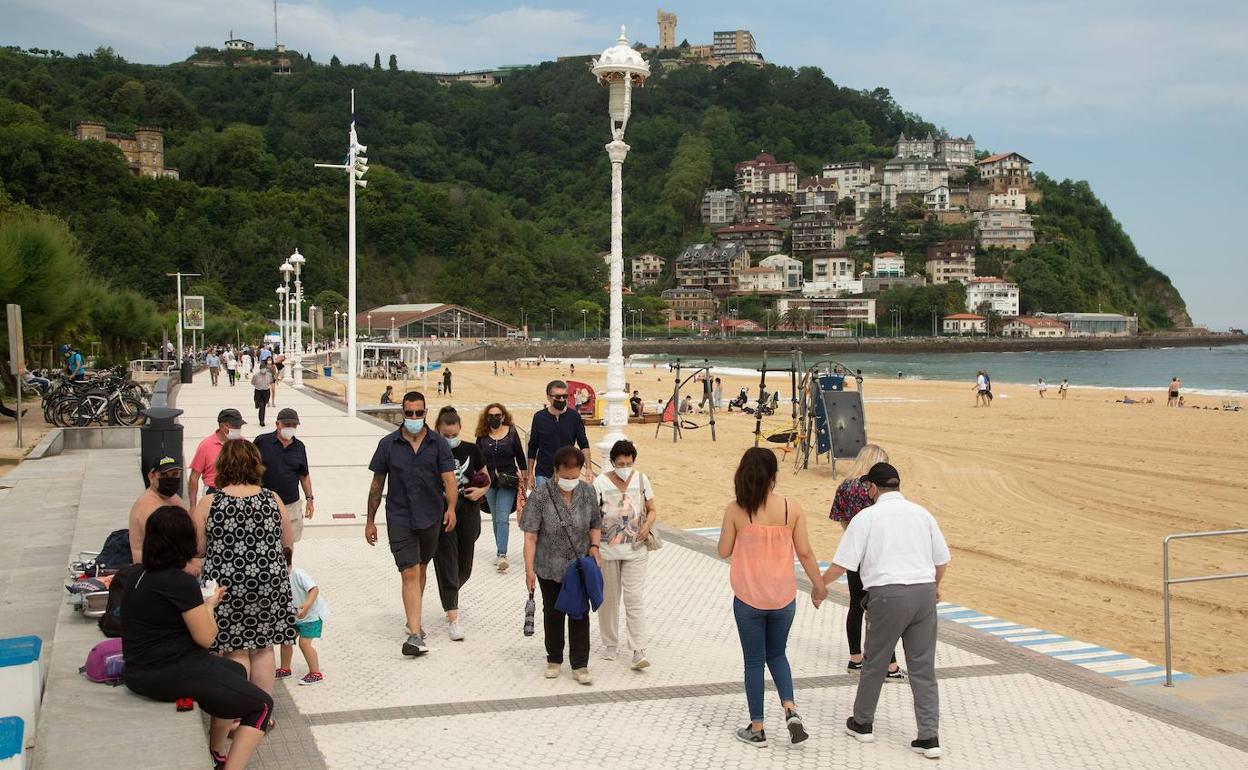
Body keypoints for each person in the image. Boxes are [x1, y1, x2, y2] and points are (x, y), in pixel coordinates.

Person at [121, 507, 272, 770]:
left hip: (138, 670)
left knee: (236, 669)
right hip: (171, 673)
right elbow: (207, 638)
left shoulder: (137, 574)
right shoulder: (180, 582)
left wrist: (204, 603)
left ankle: (216, 752)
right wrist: (210, 606)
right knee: (262, 705)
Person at [821, 463, 951, 760]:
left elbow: (843, 564)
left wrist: (820, 587)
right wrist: (935, 587)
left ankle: (863, 723)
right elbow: (941, 560)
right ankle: (929, 737)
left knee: (876, 661)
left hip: (887, 595)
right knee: (922, 667)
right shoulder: (922, 514)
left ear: (873, 488)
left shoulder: (867, 517)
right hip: (922, 593)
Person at [717, 448, 824, 747]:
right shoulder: (792, 508)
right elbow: (805, 552)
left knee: (754, 662)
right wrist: (819, 585)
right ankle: (790, 708)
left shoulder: (736, 510)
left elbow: (723, 550)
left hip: (749, 598)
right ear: (774, 475)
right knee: (777, 654)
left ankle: (757, 727)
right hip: (783, 598)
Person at [192, 440, 297, 702]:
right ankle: (262, 712)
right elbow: (287, 542)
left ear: (222, 465)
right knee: (262, 648)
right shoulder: (272, 499)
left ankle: (238, 711)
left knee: (234, 650)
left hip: (227, 587)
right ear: (255, 464)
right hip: (269, 582)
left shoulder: (209, 503)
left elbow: (198, 548)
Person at [365, 391, 458, 657]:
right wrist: (370, 521)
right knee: (409, 572)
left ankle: (412, 616)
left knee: (421, 567)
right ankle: (415, 634)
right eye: (409, 413)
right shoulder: (387, 444)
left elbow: (449, 480)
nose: (414, 417)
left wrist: (451, 508)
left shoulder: (439, 444)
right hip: (400, 517)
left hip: (431, 516)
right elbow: (376, 485)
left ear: (426, 412)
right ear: (402, 413)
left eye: (419, 413)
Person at [521, 446, 602, 685]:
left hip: (577, 566)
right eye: (566, 477)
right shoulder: (541, 495)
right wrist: (528, 569)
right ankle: (554, 658)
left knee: (579, 613)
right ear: (556, 472)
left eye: (574, 476)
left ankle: (580, 664)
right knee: (553, 612)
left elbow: (595, 523)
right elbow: (530, 535)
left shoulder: (587, 492)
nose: (570, 481)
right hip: (548, 565)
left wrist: (595, 547)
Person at [828, 445, 905, 680]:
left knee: (855, 604)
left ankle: (855, 658)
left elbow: (839, 517)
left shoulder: (845, 486)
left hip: (855, 553)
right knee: (879, 608)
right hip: (877, 554)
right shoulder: (874, 489)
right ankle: (890, 665)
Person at [593, 440, 656, 670]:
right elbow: (593, 516)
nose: (625, 467)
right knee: (608, 599)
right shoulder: (599, 482)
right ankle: (610, 643)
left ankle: (638, 649)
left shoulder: (641, 479)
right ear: (612, 462)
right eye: (620, 463)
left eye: (628, 463)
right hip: (607, 551)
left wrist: (647, 525)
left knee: (634, 599)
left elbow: (653, 509)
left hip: (636, 549)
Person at [432, 407, 487, 640]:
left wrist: (482, 490)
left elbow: (486, 476)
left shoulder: (471, 449)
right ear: (438, 431)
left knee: (464, 567)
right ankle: (453, 615)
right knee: (447, 562)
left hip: (469, 510)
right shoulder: (431, 450)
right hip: (442, 512)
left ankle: (449, 593)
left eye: (454, 434)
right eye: (446, 435)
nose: (451, 439)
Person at [476, 403, 527, 571]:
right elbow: (477, 458)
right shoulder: (482, 435)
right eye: (491, 415)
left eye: (498, 415)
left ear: (503, 416)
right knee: (496, 517)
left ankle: (502, 554)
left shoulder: (511, 433)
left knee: (503, 517)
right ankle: (500, 552)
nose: (494, 418)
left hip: (508, 480)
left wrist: (526, 477)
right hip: (488, 481)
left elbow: (520, 456)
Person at [255, 408, 314, 544]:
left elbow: (304, 476)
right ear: (277, 424)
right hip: (265, 505)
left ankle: (287, 566)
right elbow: (249, 469)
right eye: (287, 425)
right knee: (264, 544)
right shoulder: (262, 442)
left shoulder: (299, 447)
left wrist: (310, 499)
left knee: (288, 546)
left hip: (291, 505)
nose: (290, 428)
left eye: (294, 426)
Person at [276, 547, 328, 685]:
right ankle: (285, 669)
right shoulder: (278, 578)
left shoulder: (298, 574)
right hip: (293, 616)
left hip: (311, 616)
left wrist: (306, 606)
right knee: (286, 640)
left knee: (304, 644)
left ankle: (315, 673)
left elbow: (314, 589)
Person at [527, 380, 590, 491]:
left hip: (568, 474)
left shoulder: (574, 417)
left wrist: (589, 468)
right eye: (558, 397)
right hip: (543, 473)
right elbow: (533, 446)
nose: (561, 400)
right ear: (549, 397)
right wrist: (530, 473)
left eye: (564, 396)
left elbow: (583, 444)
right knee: (545, 507)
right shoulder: (539, 417)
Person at [129, 456, 187, 564]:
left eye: (175, 474)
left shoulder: (173, 498)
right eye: (164, 475)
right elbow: (162, 550)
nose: (170, 479)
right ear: (151, 477)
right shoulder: (148, 506)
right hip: (152, 568)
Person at [188, 409, 245, 509]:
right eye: (235, 426)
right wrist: (193, 506)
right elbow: (194, 477)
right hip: (213, 494)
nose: (238, 429)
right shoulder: (205, 446)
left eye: (239, 426)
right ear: (222, 426)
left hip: (238, 493)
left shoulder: (243, 443)